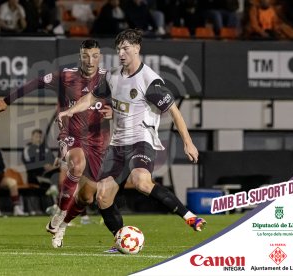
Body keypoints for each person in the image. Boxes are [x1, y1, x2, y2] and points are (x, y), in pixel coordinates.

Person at [57, 29, 206, 252]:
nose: (121, 53)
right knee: (103, 196)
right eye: (118, 49)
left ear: (137, 49)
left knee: (141, 181)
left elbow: (174, 111)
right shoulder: (112, 76)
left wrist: (188, 142)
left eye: (126, 48)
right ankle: (121, 241)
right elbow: (92, 97)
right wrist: (71, 111)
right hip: (117, 145)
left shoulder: (150, 81)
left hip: (141, 141)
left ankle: (189, 216)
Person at [0, 39, 112, 248]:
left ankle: (62, 222)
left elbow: (126, 103)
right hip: (71, 134)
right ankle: (61, 210)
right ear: (80, 56)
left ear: (100, 56)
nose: (90, 61)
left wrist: (114, 112)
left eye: (94, 56)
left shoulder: (110, 78)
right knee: (77, 164)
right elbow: (33, 83)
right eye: (85, 56)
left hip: (98, 140)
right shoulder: (66, 76)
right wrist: (7, 101)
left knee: (88, 197)